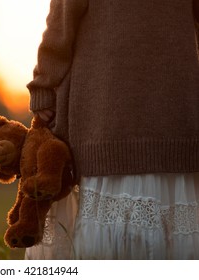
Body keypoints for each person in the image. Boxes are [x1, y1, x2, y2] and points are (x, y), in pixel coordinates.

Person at [25, 0, 199, 259]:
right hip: (107, 119)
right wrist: (43, 84)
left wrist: (44, 84)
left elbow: (60, 22)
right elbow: (62, 21)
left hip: (168, 119)